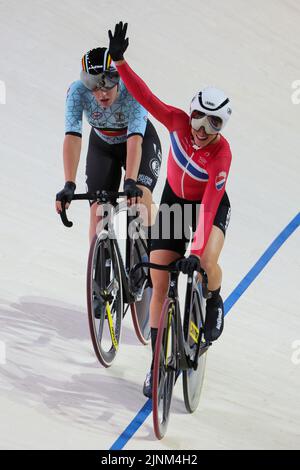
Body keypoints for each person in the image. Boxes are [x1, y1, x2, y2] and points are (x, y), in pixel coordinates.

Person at [108, 22, 233, 398]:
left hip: (207, 209)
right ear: (192, 111)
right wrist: (120, 61)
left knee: (207, 260)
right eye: (199, 116)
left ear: (222, 126)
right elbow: (146, 99)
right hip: (174, 205)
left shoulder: (222, 154)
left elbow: (210, 205)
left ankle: (212, 298)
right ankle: (157, 362)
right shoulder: (178, 122)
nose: (201, 127)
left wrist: (195, 254)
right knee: (160, 282)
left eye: (214, 123)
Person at [56, 46, 162, 244]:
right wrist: (69, 184)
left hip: (140, 141)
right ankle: (99, 271)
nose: (102, 93)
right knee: (98, 214)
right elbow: (72, 137)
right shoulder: (77, 92)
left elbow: (135, 140)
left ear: (118, 77)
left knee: (140, 199)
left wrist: (130, 181)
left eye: (108, 83)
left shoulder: (133, 91)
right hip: (103, 147)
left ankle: (156, 255)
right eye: (93, 85)